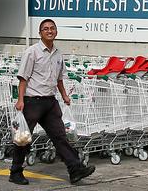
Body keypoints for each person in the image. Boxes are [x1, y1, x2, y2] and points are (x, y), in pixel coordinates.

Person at [9, 19, 94, 186]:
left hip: (50, 102)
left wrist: (64, 95)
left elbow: (59, 78)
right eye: (45, 29)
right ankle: (15, 171)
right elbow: (23, 78)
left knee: (60, 136)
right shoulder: (32, 52)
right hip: (32, 102)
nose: (49, 31)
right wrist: (20, 100)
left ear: (56, 32)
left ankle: (75, 170)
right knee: (23, 138)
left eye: (52, 28)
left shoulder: (58, 54)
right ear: (40, 33)